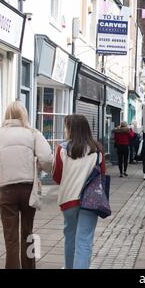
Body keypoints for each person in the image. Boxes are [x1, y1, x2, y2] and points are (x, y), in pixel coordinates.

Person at [0, 101, 53, 269]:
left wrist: (3, 170)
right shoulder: (33, 133)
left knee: (10, 237)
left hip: (7, 190)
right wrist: (42, 169)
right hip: (28, 190)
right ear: (24, 115)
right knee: (29, 233)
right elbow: (46, 158)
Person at [52, 114, 106, 269]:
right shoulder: (97, 150)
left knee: (70, 238)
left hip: (69, 201)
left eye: (66, 126)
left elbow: (56, 176)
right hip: (90, 201)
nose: (64, 130)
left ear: (71, 129)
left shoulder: (62, 149)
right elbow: (102, 175)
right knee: (84, 241)